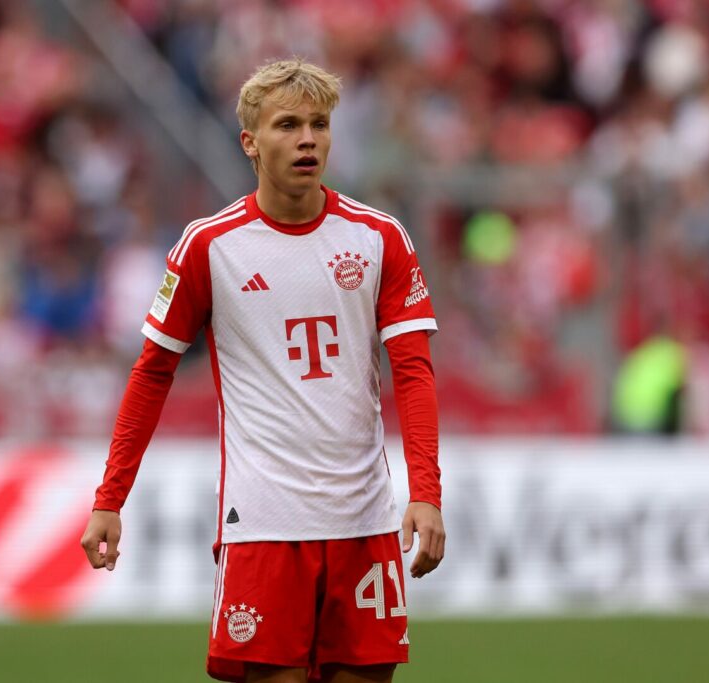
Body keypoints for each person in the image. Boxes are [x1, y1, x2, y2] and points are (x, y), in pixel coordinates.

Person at [81, 58, 445, 683]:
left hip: (364, 523)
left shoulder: (380, 237)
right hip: (264, 528)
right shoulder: (209, 246)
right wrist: (110, 499)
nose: (307, 139)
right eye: (287, 125)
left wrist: (427, 494)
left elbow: (413, 371)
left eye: (319, 124)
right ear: (251, 143)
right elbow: (151, 374)